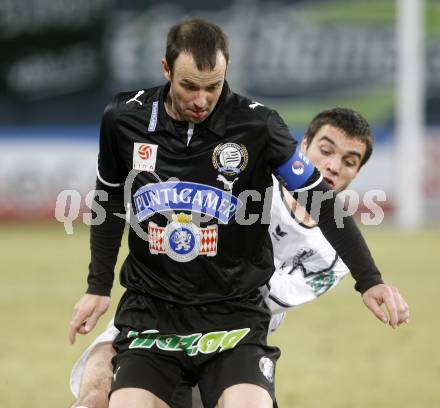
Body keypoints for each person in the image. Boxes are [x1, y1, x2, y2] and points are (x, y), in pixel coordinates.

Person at [69, 18, 400, 408]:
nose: (201, 100)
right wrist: (97, 286)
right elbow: (108, 202)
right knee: (99, 398)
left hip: (232, 317)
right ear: (166, 69)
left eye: (213, 87)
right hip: (152, 310)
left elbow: (321, 202)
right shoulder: (124, 118)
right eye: (189, 86)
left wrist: (370, 279)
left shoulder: (258, 127)